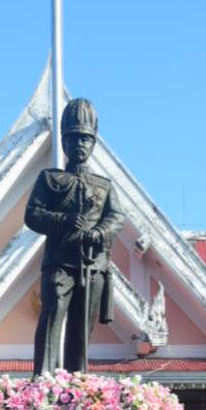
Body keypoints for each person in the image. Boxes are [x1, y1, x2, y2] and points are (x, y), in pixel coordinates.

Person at [24, 96, 125, 375]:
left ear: (93, 144)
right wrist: (65, 220)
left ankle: (77, 380)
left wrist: (99, 232)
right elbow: (33, 214)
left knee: (82, 327)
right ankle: (44, 377)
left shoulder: (104, 187)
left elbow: (116, 217)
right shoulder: (50, 179)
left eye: (85, 139)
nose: (79, 144)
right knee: (52, 314)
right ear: (64, 142)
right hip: (59, 262)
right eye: (74, 138)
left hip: (92, 265)